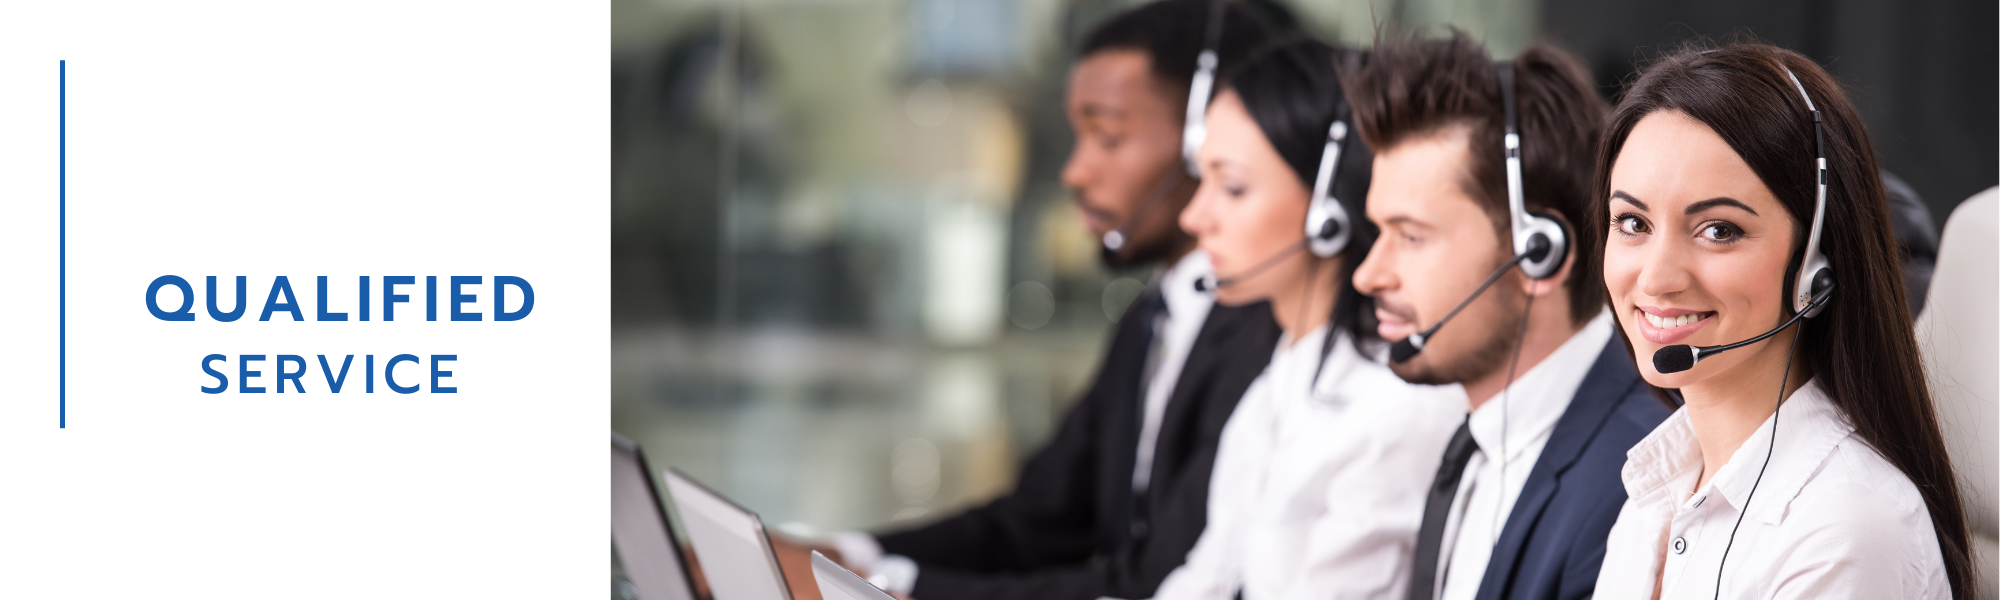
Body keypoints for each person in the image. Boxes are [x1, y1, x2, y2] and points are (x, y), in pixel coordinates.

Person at [788, 2, 1290, 598]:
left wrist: (890, 585)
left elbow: (1153, 581)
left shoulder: (1270, 332)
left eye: (1109, 136)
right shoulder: (1152, 318)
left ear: (1208, 143)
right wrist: (845, 556)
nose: (1075, 172)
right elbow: (1035, 521)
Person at [1588, 42, 1972, 599]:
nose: (1655, 279)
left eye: (1718, 230)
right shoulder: (1659, 490)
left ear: (1814, 267)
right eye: (1632, 223)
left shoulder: (1845, 532)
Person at [1342, 31, 1673, 600]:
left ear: (1537, 253)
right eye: (1378, 233)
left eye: (1411, 236)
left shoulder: (1635, 483)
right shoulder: (1473, 442)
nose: (1367, 274)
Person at [1145, 37, 1465, 599]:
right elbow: (1207, 577)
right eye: (1203, 181)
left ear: (1329, 209)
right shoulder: (1276, 383)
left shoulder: (1394, 413)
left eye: (1233, 186)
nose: (1195, 216)